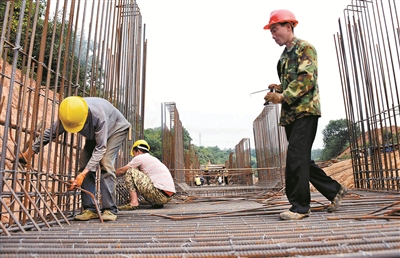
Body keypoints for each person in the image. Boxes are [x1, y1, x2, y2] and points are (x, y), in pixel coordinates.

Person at [263, 9, 347, 220]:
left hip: (306, 111)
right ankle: (334, 190)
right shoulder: (283, 58)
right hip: (291, 115)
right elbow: (292, 82)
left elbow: (307, 79)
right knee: (302, 160)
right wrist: (279, 88)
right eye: (271, 31)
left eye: (275, 30)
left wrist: (282, 97)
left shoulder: (305, 48)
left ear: (289, 26)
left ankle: (300, 207)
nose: (273, 35)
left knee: (295, 159)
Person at [19, 96, 131, 221]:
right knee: (84, 163)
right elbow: (50, 133)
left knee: (106, 163)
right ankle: (90, 209)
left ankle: (110, 209)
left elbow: (100, 148)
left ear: (86, 116)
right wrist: (30, 152)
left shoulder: (98, 116)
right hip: (96, 133)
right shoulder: (69, 114)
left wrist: (82, 175)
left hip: (116, 128)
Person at [116, 140, 176, 210]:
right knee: (137, 174)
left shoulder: (140, 157)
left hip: (159, 194)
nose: (134, 157)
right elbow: (140, 183)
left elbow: (122, 171)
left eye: (134, 153)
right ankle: (142, 201)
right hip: (167, 196)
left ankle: (134, 203)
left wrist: (109, 174)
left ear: (137, 151)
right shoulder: (152, 159)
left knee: (130, 171)